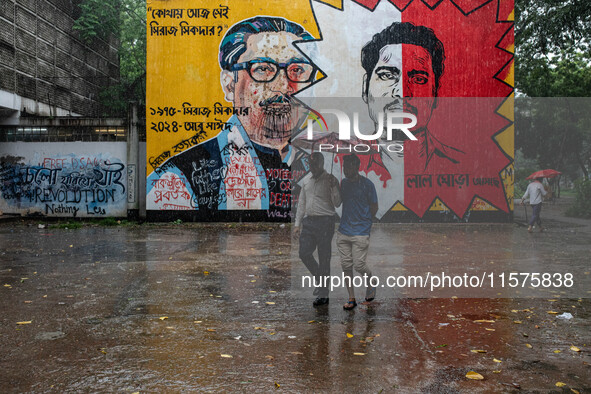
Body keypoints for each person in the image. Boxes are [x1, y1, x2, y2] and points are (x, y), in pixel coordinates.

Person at [150, 16, 317, 212]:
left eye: (297, 70)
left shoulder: (325, 164)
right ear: (229, 85)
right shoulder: (178, 179)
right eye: (262, 69)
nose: (282, 87)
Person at [360, 22, 464, 171]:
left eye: (419, 79)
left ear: (435, 93)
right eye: (387, 76)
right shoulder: (341, 163)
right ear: (365, 88)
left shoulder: (462, 166)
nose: (402, 93)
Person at [294, 152, 341, 307]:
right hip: (309, 222)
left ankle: (323, 294)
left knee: (324, 258)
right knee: (304, 253)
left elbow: (338, 203)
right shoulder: (307, 181)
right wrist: (297, 225)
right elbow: (302, 203)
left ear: (322, 163)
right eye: (311, 164)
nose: (312, 167)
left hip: (325, 222)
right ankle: (321, 281)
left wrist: (334, 186)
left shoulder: (330, 180)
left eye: (315, 164)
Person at [337, 154, 379, 310]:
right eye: (344, 166)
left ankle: (371, 281)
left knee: (359, 265)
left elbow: (374, 207)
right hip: (343, 231)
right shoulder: (344, 184)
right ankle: (351, 298)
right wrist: (332, 186)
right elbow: (337, 201)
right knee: (346, 266)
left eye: (348, 166)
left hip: (361, 231)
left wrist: (366, 223)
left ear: (357, 167)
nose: (345, 169)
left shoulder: (368, 185)